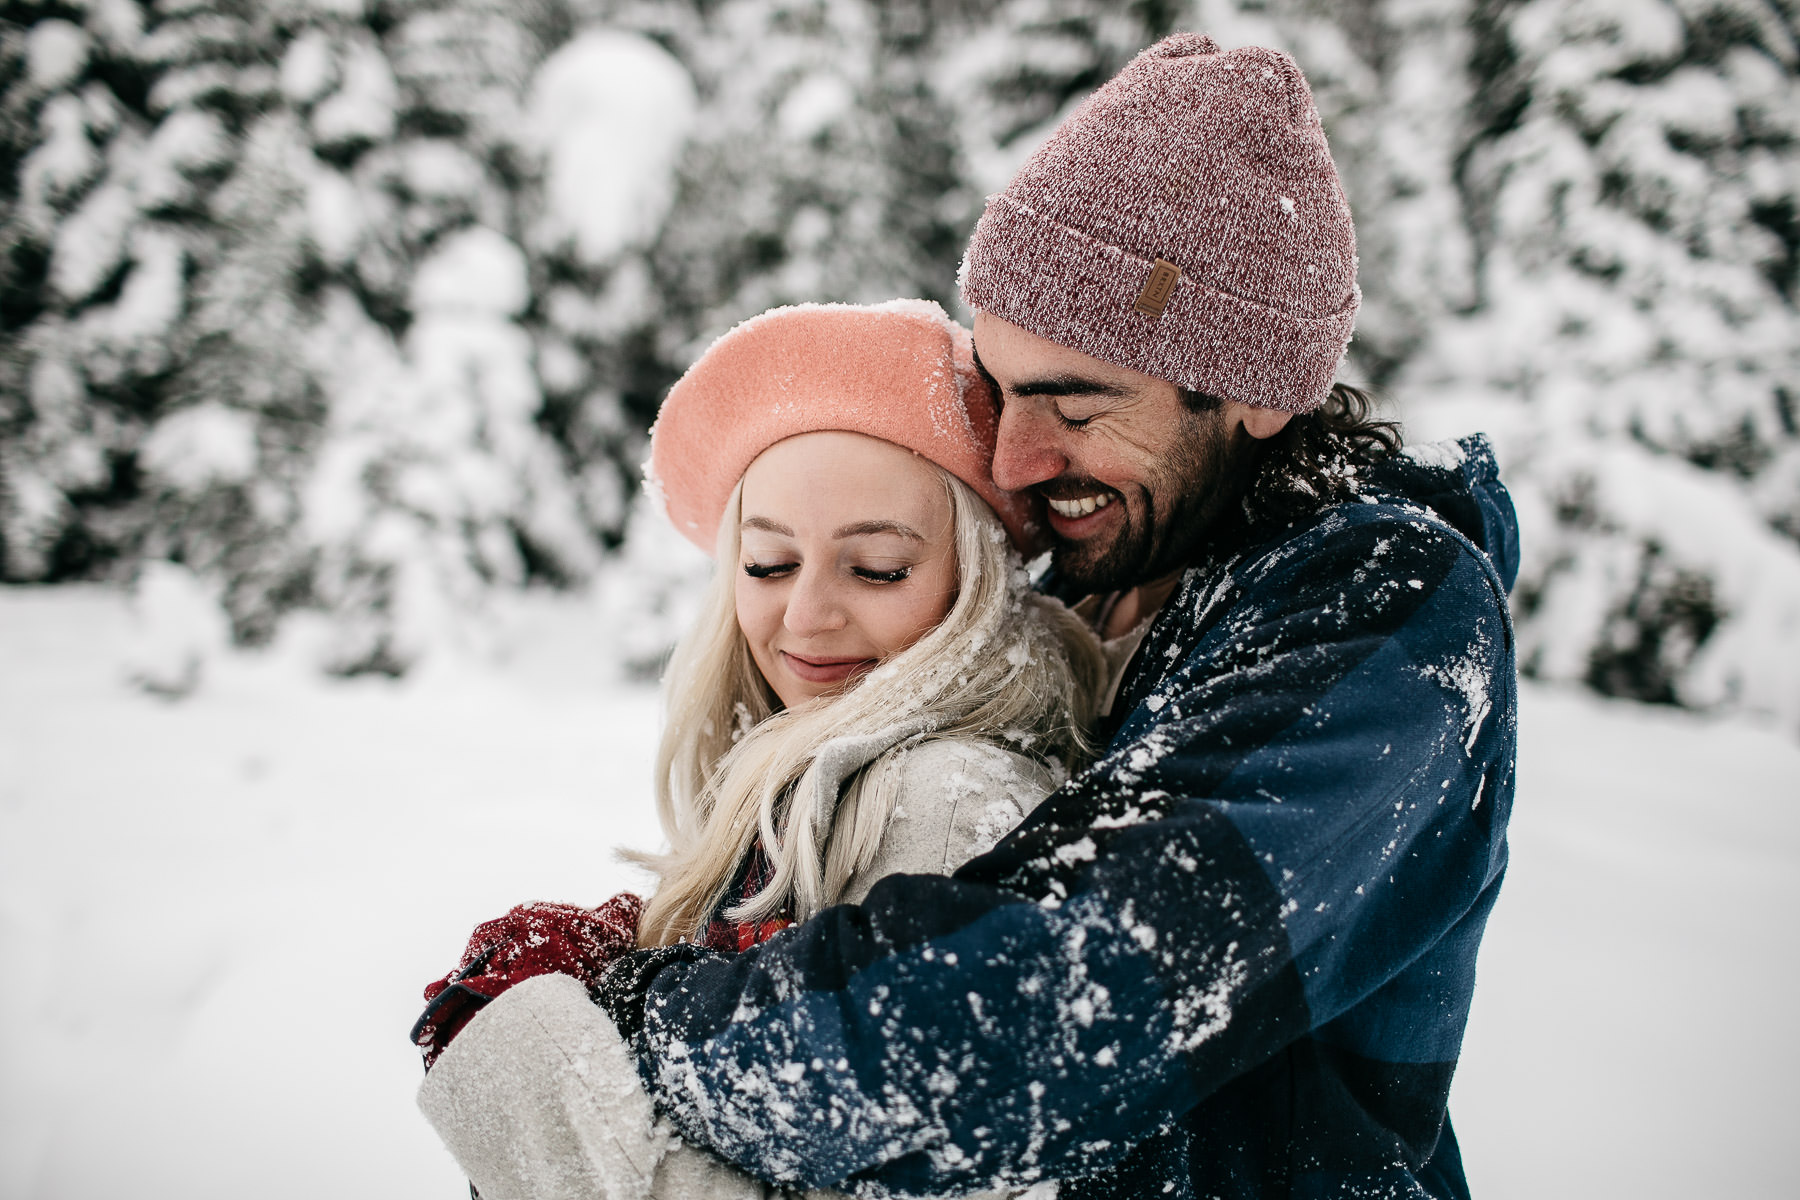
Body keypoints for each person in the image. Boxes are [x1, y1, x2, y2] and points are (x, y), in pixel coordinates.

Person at [422, 32, 1520, 1200]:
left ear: (1255, 390)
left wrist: (629, 1008)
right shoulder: (1104, 591)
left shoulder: (1379, 615)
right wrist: (663, 937)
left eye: (1076, 404)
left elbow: (1038, 1006)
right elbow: (935, 914)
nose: (1012, 455)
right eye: (1000, 393)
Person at [414, 300, 1106, 1199]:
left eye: (878, 568)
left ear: (974, 580)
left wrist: (540, 1066)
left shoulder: (948, 801)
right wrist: (644, 956)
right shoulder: (816, 774)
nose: (807, 616)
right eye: (770, 565)